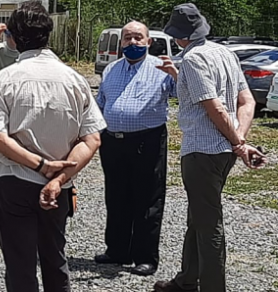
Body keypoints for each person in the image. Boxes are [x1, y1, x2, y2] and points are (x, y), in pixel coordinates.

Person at [0, 1, 107, 291]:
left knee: (20, 264)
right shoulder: (75, 79)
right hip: (58, 185)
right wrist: (58, 176)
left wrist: (39, 165)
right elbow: (92, 138)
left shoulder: (6, 78)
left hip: (14, 179)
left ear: (13, 36)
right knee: (55, 259)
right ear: (48, 34)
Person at [154, 3, 267, 292]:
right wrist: (239, 141)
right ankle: (187, 279)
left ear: (179, 36)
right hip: (222, 152)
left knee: (208, 225)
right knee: (199, 214)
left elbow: (213, 107)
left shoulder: (192, 58)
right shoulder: (224, 53)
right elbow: (246, 101)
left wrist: (238, 144)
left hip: (203, 151)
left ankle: (213, 287)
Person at [94, 21, 175, 276]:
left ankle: (145, 257)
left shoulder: (162, 69)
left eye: (138, 38)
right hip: (113, 142)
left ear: (149, 42)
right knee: (116, 197)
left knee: (147, 199)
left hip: (146, 142)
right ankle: (117, 250)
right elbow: (100, 103)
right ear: (121, 43)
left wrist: (178, 75)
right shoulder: (111, 70)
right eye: (127, 38)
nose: (133, 42)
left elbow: (185, 96)